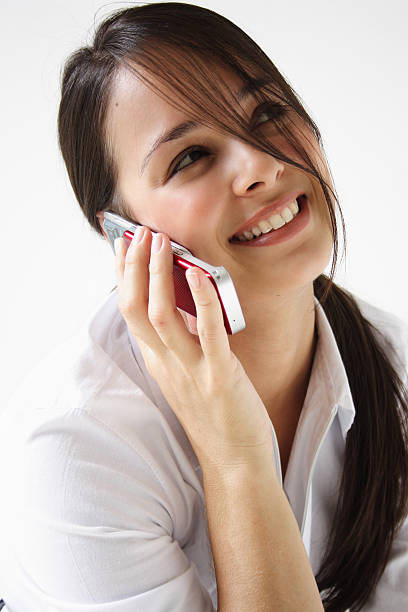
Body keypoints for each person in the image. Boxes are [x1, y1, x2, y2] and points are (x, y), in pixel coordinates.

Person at [0, 2, 407, 610]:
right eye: (190, 157)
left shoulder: (390, 360)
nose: (261, 167)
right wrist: (234, 457)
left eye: (267, 113)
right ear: (122, 234)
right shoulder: (79, 447)